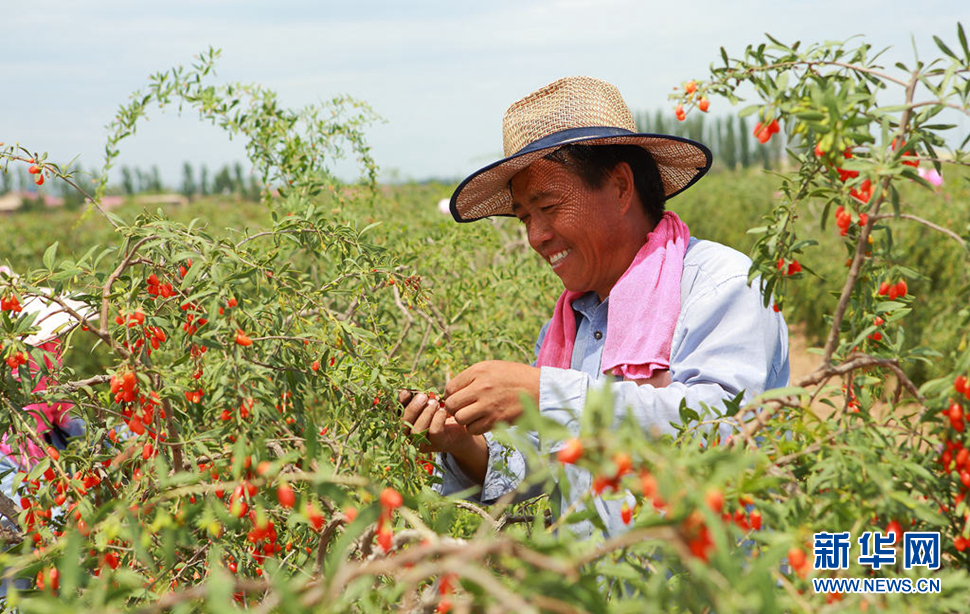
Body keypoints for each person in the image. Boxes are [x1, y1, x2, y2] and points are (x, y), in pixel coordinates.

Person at [399, 76, 789, 538]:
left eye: (548, 206)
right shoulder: (570, 323)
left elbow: (720, 430)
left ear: (621, 187)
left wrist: (544, 393)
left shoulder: (721, 286)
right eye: (525, 216)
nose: (536, 236)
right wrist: (463, 445)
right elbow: (540, 464)